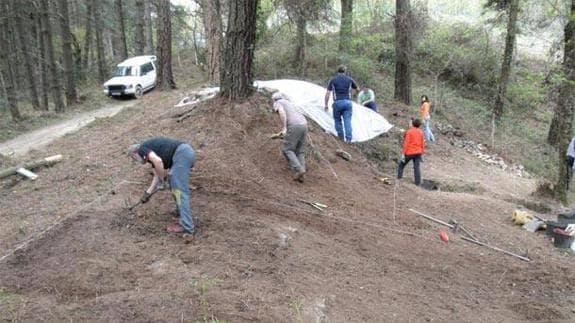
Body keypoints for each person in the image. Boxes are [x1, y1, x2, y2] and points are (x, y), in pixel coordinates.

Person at [128, 137, 196, 234]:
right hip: (183, 154)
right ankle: (179, 211)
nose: (137, 161)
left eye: (134, 158)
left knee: (179, 191)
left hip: (181, 155)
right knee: (174, 187)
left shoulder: (142, 149)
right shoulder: (149, 152)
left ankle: (187, 226)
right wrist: (148, 193)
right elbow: (157, 174)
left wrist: (163, 180)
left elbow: (158, 162)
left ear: (135, 154)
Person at [272, 92, 308, 182]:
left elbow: (282, 113)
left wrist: (284, 127)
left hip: (294, 125)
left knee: (287, 149)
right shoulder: (289, 103)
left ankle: (299, 170)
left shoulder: (278, 103)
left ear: (274, 99)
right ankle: (301, 176)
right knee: (300, 151)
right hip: (304, 124)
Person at [324, 65, 358, 142]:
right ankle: (348, 139)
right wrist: (352, 95)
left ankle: (341, 139)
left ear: (337, 71)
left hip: (337, 102)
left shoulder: (333, 80)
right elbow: (357, 89)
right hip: (347, 102)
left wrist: (326, 105)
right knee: (347, 120)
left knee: (337, 120)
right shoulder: (349, 79)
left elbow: (328, 93)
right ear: (345, 71)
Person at [397, 118, 425, 186]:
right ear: (419, 125)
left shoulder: (409, 131)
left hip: (410, 152)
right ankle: (417, 183)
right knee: (416, 168)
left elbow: (406, 143)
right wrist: (422, 153)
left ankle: (399, 178)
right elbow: (423, 143)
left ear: (412, 124)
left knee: (401, 165)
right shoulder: (421, 132)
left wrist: (403, 154)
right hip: (418, 152)